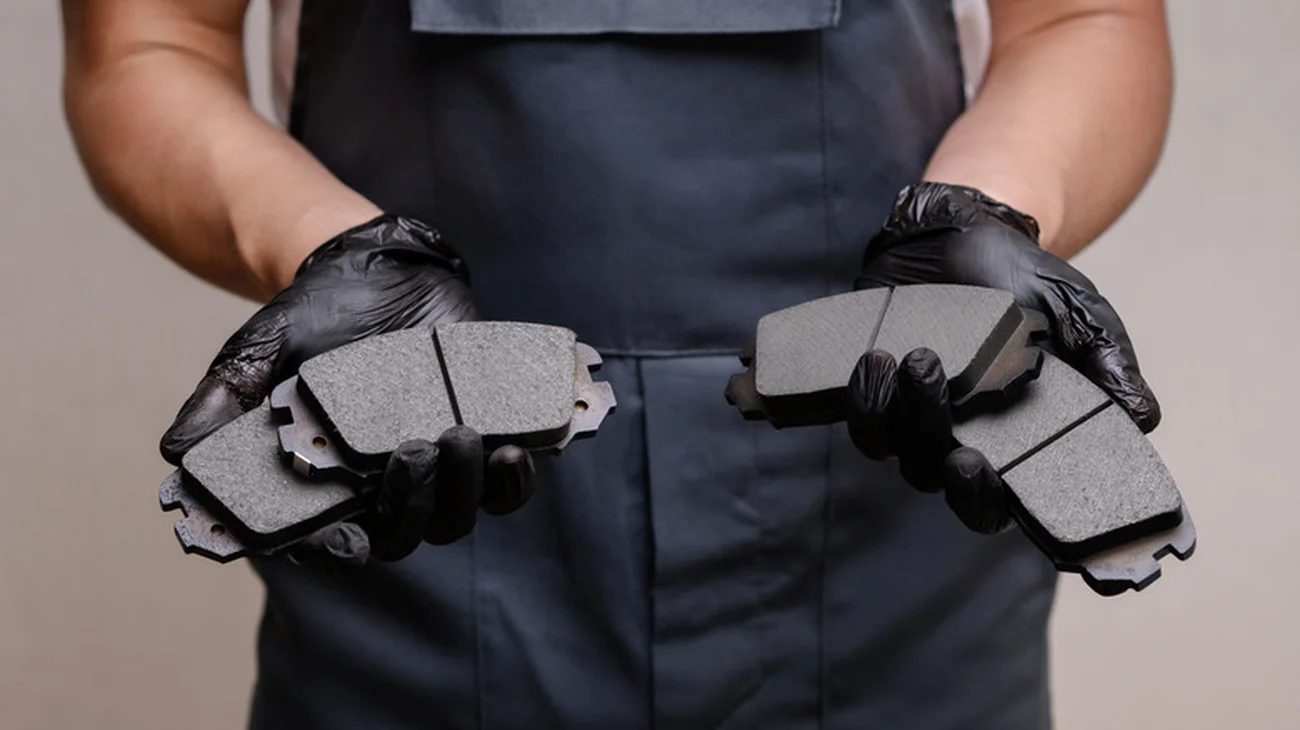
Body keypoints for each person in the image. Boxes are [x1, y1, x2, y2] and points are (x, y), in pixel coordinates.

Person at [60, 0, 1171, 727]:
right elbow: (152, 45)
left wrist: (981, 215)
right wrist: (336, 251)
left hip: (900, 516)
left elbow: (1083, 17)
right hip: (411, 519)